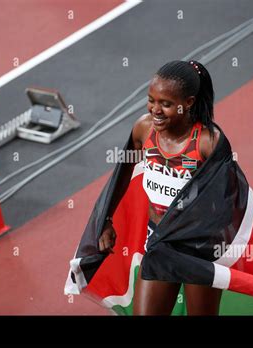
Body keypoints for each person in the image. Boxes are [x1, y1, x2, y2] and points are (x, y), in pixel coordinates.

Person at [97, 60, 223, 315]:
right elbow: (122, 175)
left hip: (198, 247)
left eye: (165, 104)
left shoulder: (208, 143)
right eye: (151, 100)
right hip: (159, 242)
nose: (156, 110)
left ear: (187, 102)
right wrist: (106, 219)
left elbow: (228, 201)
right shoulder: (143, 129)